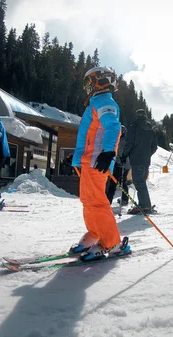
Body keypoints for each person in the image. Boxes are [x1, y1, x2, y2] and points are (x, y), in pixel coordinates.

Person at [68, 66, 129, 262]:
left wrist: (109, 152)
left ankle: (113, 243)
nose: (86, 87)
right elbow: (90, 135)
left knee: (97, 202)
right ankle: (95, 233)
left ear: (100, 81)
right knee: (88, 201)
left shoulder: (104, 101)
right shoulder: (95, 102)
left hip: (97, 162)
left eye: (89, 82)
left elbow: (113, 126)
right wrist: (76, 158)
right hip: (88, 162)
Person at [122, 109, 158, 214]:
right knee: (141, 181)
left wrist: (124, 155)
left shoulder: (134, 127)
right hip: (145, 160)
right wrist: (147, 154)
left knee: (139, 182)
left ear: (137, 116)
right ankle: (144, 203)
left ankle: (145, 205)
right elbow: (154, 146)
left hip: (136, 159)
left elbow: (129, 143)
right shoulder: (151, 130)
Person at [106, 124, 129, 206]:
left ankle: (111, 200)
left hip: (122, 164)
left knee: (118, 182)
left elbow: (121, 152)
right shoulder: (122, 139)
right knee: (119, 182)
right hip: (122, 164)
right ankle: (121, 199)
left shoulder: (123, 141)